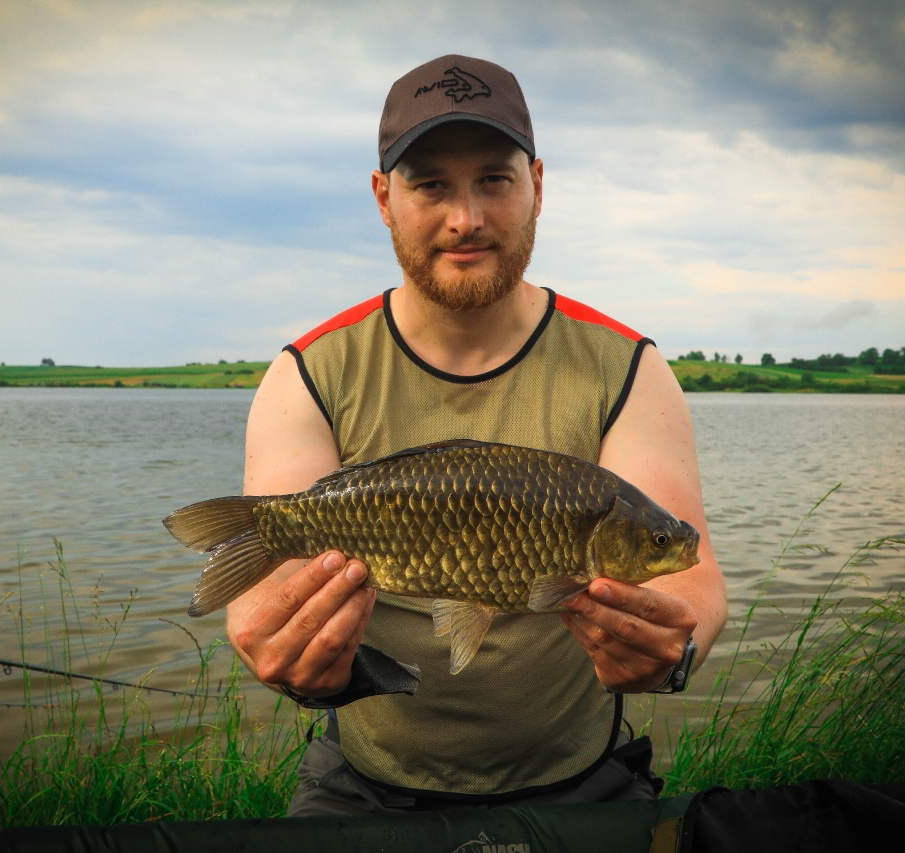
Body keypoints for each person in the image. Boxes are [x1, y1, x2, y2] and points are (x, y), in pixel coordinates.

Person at [224, 55, 727, 814]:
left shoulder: (629, 365)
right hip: (364, 778)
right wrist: (294, 660)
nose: (466, 218)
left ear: (538, 186)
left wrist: (673, 652)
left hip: (582, 776)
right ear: (384, 197)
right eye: (431, 185)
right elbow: (260, 598)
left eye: (494, 179)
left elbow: (690, 575)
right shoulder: (307, 373)